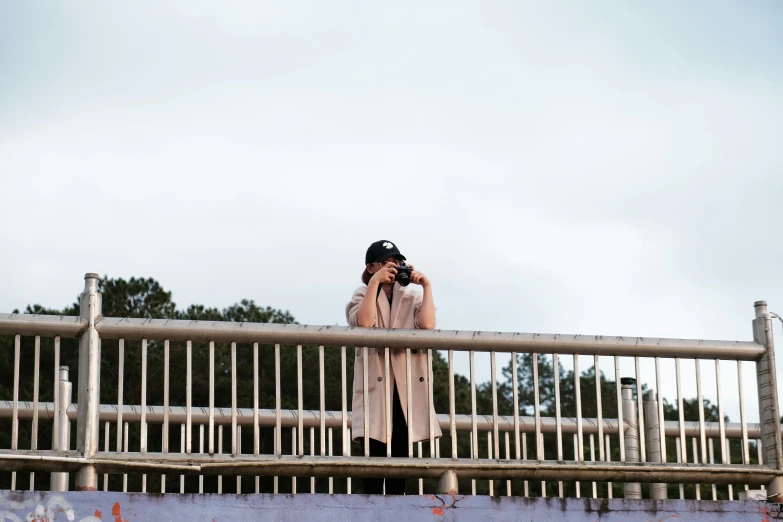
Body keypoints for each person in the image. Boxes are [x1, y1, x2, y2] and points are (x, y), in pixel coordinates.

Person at [345, 240, 442, 495]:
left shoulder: (412, 295)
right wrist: (374, 284)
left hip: (405, 383)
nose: (394, 268)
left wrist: (427, 286)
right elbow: (363, 322)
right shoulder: (361, 294)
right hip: (375, 382)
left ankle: (397, 505)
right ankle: (370, 505)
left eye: (398, 263)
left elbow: (428, 325)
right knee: (373, 446)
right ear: (371, 267)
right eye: (388, 263)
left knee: (401, 447)